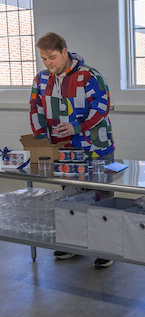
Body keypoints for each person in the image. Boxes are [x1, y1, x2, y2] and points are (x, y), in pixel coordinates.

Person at [30, 32, 115, 269]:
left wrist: (77, 126)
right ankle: (72, 243)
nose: (48, 63)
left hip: (95, 148)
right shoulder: (41, 80)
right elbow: (35, 108)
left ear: (64, 52)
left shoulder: (89, 76)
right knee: (70, 196)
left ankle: (105, 247)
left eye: (52, 57)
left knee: (100, 196)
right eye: (44, 58)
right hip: (64, 150)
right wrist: (39, 139)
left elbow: (101, 107)